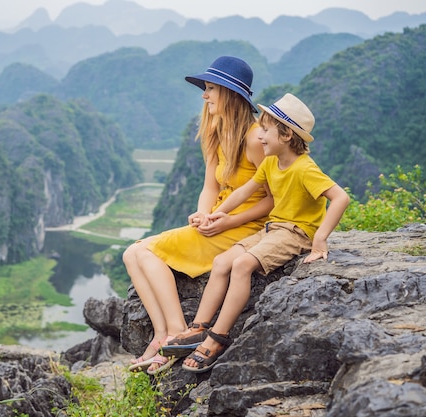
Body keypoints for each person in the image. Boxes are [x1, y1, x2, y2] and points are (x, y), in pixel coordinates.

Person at [178, 93, 350, 373]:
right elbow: (244, 191)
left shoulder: (305, 168)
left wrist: (320, 238)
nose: (260, 137)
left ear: (286, 135)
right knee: (222, 262)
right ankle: (198, 327)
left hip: (296, 232)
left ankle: (217, 338)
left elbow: (340, 198)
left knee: (242, 265)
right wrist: (217, 213)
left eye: (266, 131)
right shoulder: (271, 163)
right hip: (274, 227)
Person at [124, 56, 274, 375]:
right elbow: (210, 186)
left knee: (145, 253)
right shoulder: (216, 132)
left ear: (229, 94)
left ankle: (177, 333)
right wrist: (202, 214)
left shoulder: (256, 138)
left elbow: (273, 201)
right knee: (131, 254)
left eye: (209, 89)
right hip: (218, 220)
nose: (204, 96)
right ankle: (162, 335)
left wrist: (226, 220)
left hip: (246, 228)